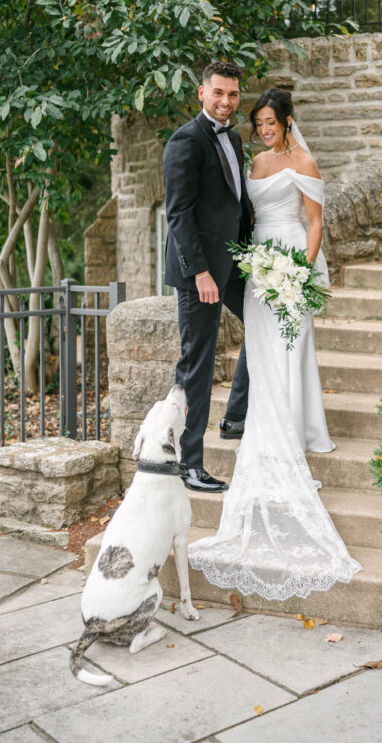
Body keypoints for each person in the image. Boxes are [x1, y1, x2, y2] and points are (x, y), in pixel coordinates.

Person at [188, 88, 362, 599]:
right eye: (257, 122)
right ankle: (270, 422)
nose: (263, 129)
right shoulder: (256, 160)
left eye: (270, 122)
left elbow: (314, 223)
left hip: (290, 261)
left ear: (287, 121)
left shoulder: (303, 160)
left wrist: (302, 276)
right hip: (259, 263)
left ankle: (298, 430)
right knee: (264, 352)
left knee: (293, 350)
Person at [162, 60, 252, 492]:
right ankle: (187, 463)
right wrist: (199, 271)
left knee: (269, 322)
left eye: (233, 94)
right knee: (196, 364)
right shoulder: (185, 141)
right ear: (202, 93)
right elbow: (178, 214)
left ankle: (236, 415)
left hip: (234, 262)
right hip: (199, 271)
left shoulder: (233, 138)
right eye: (218, 93)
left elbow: (236, 205)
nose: (225, 101)